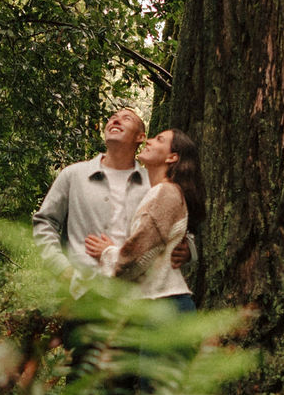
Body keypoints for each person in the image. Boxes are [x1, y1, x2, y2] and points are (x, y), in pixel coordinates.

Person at [31, 106, 191, 279]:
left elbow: (179, 225)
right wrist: (60, 268)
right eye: (113, 117)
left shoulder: (154, 185)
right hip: (79, 289)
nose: (115, 120)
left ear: (141, 137)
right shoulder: (73, 174)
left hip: (135, 295)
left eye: (126, 119)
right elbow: (44, 222)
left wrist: (188, 249)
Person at [86, 128, 202, 311]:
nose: (149, 141)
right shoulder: (159, 191)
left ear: (172, 157)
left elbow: (138, 256)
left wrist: (106, 252)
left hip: (164, 304)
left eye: (159, 139)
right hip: (154, 303)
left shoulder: (166, 192)